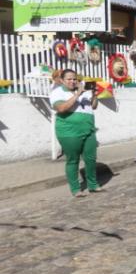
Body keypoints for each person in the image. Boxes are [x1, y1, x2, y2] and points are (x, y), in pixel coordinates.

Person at [49, 69, 101, 197]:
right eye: (69, 79)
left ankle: (93, 185)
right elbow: (61, 108)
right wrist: (77, 94)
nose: (73, 81)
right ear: (61, 80)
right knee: (73, 160)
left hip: (88, 130)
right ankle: (76, 189)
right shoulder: (57, 92)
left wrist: (94, 95)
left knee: (91, 159)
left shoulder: (84, 92)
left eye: (75, 79)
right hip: (69, 132)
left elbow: (94, 106)